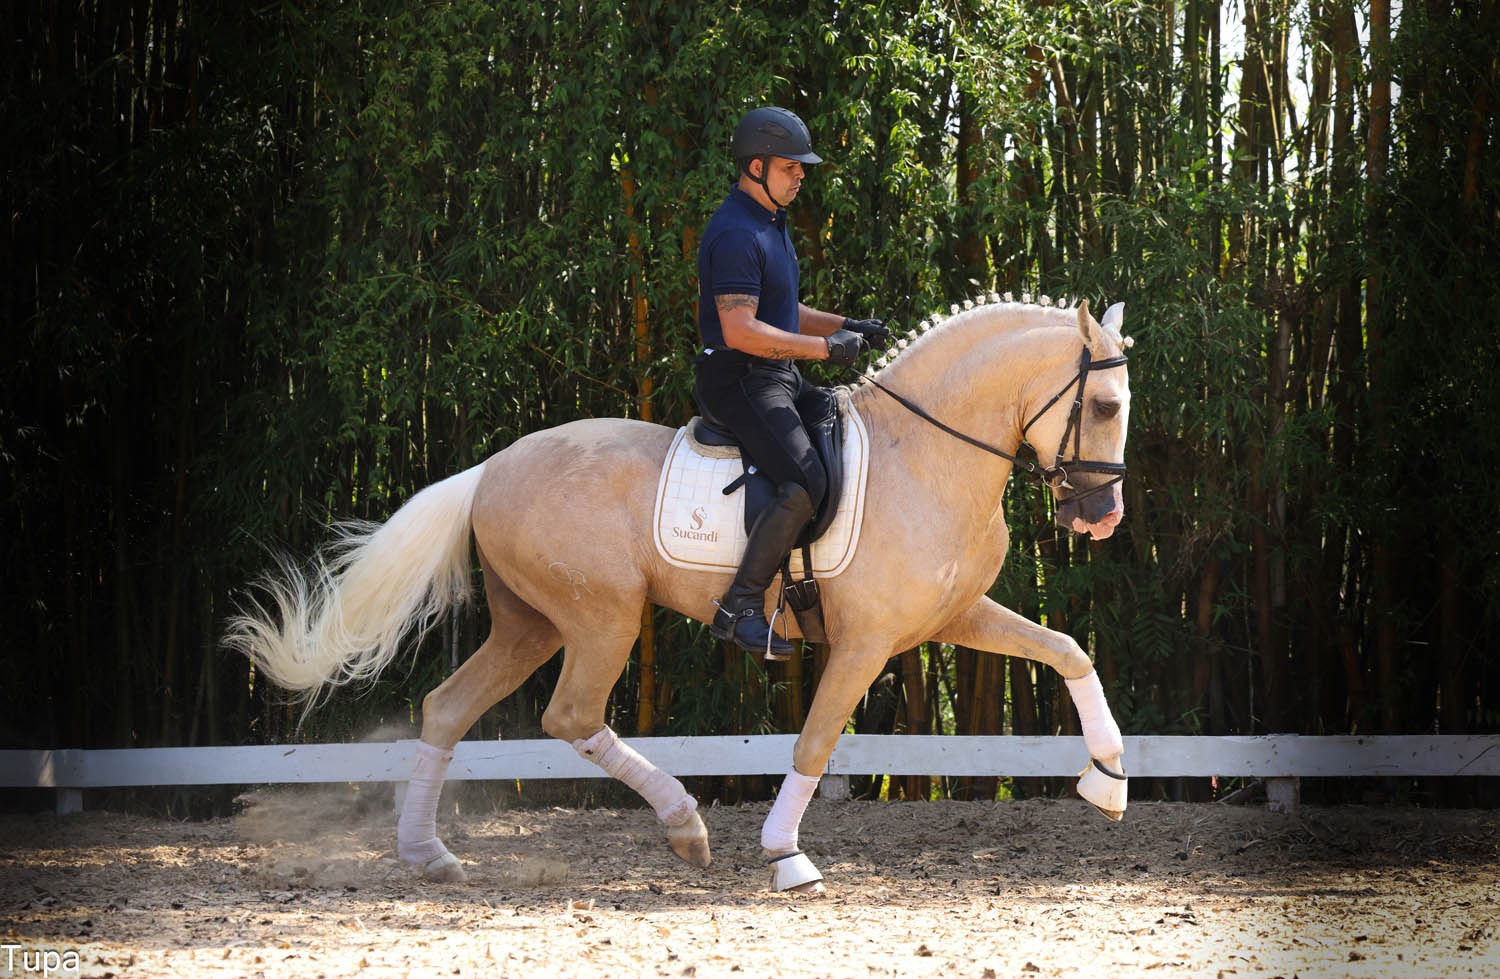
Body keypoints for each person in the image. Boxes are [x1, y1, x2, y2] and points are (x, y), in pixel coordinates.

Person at [694, 106, 890, 660]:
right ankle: (740, 607)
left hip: (776, 373)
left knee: (838, 419)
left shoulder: (769, 224)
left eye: (802, 167)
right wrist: (825, 350)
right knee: (803, 479)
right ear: (756, 166)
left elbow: (783, 310)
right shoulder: (735, 232)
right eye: (790, 166)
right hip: (738, 379)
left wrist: (847, 326)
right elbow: (740, 328)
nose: (801, 175)